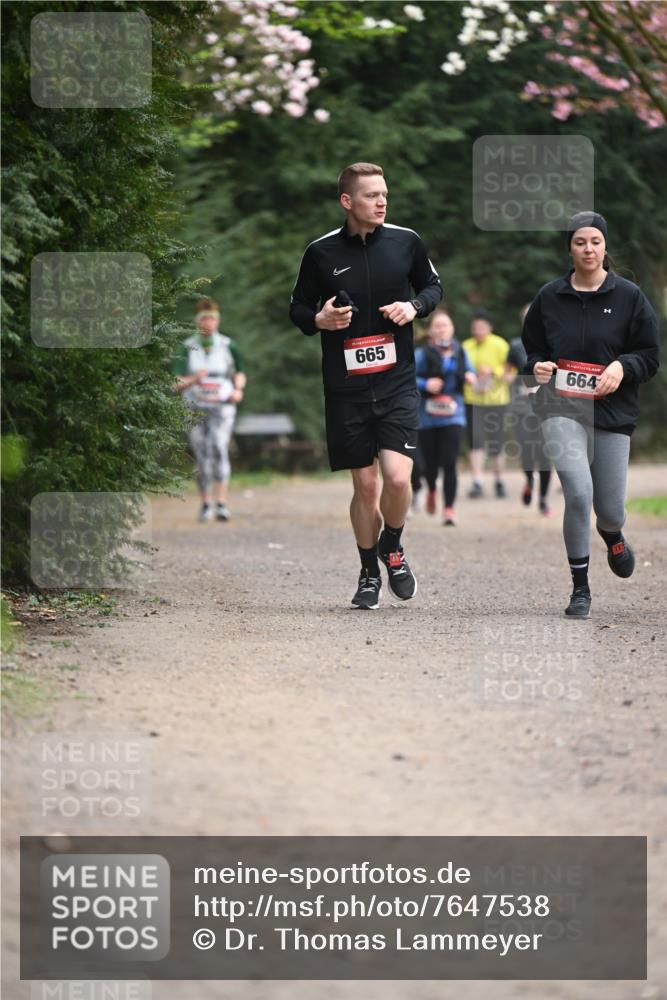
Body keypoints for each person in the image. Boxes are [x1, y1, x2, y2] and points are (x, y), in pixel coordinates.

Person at [289, 162, 443, 609]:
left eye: (384, 195)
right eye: (372, 195)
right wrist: (319, 320)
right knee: (366, 487)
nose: (381, 202)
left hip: (396, 382)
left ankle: (392, 545)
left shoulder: (405, 241)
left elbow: (434, 287)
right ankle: (367, 574)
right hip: (346, 388)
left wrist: (414, 307)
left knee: (397, 478)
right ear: (347, 201)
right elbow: (298, 308)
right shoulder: (320, 253)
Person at [522, 210, 660, 618]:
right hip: (560, 407)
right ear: (570, 247)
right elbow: (531, 352)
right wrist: (539, 366)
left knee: (611, 509)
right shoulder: (550, 296)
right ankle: (580, 588)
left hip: (613, 411)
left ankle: (612, 535)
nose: (588, 249)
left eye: (595, 242)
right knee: (578, 493)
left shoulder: (629, 296)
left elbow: (650, 356)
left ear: (604, 247)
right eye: (580, 242)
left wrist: (623, 366)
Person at [171, 297, 247, 522]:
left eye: (212, 319)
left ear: (217, 322)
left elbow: (240, 371)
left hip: (222, 407)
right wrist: (193, 379)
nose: (208, 323)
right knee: (202, 455)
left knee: (219, 448)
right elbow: (174, 382)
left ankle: (222, 503)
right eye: (204, 319)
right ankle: (205, 504)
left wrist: (238, 389)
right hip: (194, 407)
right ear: (197, 322)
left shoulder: (227, 345)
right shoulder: (186, 347)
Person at [414, 309, 476, 525]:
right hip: (427, 416)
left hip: (453, 414)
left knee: (449, 462)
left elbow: (471, 372)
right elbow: (407, 378)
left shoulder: (461, 352)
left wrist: (471, 377)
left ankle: (449, 509)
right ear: (430, 331)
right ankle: (431, 488)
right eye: (437, 325)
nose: (442, 329)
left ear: (452, 329)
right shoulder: (422, 354)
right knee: (430, 465)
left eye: (445, 325)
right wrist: (425, 384)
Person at [506, 305, 553, 517]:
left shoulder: (552, 343)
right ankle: (529, 480)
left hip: (547, 405)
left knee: (545, 454)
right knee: (526, 451)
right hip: (522, 406)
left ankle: (543, 499)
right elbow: (507, 374)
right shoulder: (515, 345)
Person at [462, 309, 510, 499]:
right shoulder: (465, 346)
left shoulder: (500, 344)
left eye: (482, 327)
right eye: (475, 327)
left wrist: (492, 372)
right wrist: (471, 376)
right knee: (475, 443)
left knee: (497, 443)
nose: (478, 330)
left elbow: (510, 373)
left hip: (497, 401)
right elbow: (460, 370)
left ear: (489, 327)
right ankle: (477, 482)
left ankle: (499, 481)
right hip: (472, 401)